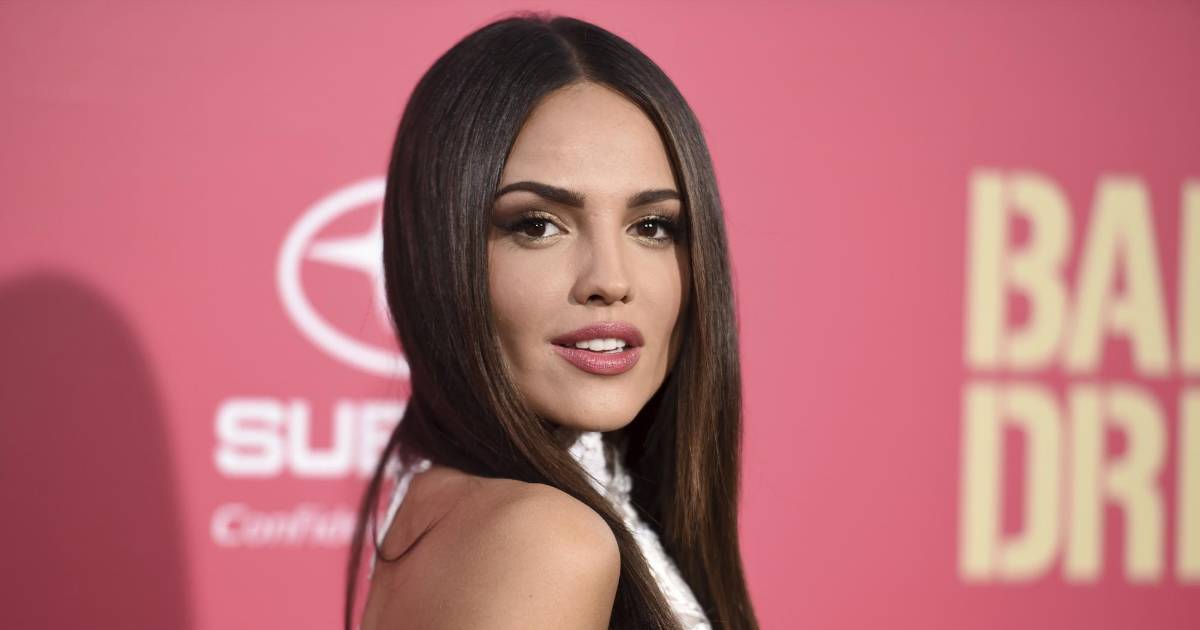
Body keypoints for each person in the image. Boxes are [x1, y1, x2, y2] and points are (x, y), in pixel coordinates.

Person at [345, 13, 758, 630]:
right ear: (437, 254)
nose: (610, 279)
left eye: (652, 226)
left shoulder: (456, 513)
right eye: (537, 225)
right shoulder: (543, 541)